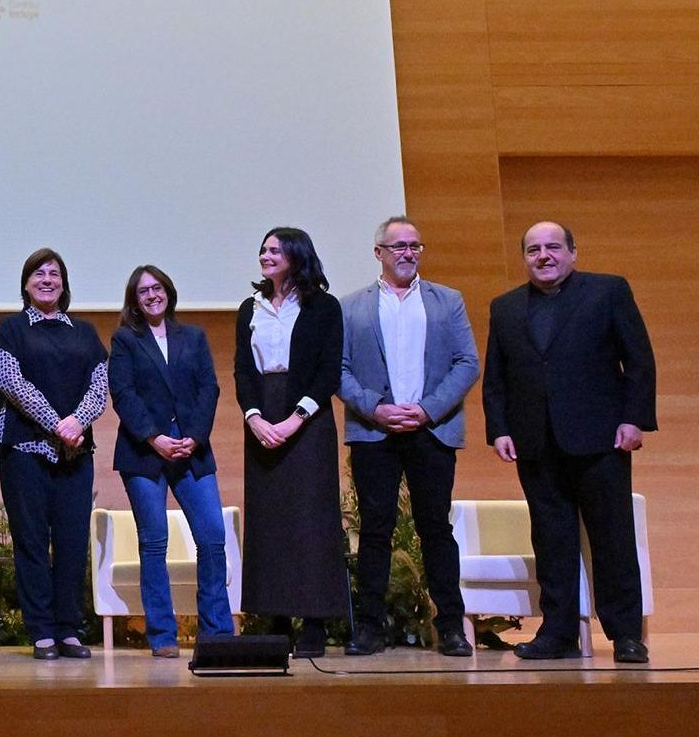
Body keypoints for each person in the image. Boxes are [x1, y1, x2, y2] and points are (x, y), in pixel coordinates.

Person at [483, 221, 656, 663]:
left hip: (601, 440)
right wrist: (499, 429)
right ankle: (557, 634)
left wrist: (634, 420)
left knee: (612, 540)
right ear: (524, 257)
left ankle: (626, 636)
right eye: (534, 249)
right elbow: (497, 379)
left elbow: (637, 360)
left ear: (573, 253)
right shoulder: (504, 308)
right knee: (552, 541)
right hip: (535, 444)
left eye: (553, 247)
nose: (544, 255)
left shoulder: (608, 291)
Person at [338, 217, 478, 657]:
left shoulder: (447, 301)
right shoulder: (350, 306)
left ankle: (451, 627)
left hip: (431, 431)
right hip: (373, 432)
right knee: (375, 531)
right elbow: (337, 370)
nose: (408, 253)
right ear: (378, 252)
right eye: (398, 246)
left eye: (415, 245)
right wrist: (375, 408)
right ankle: (370, 628)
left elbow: (467, 363)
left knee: (435, 528)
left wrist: (426, 409)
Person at [234, 226, 348, 658]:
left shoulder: (323, 307)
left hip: (309, 418)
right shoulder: (250, 308)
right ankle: (276, 619)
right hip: (262, 414)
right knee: (270, 519)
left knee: (310, 519)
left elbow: (327, 372)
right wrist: (254, 416)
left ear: (297, 256)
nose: (265, 255)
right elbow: (243, 369)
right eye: (262, 249)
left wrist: (295, 418)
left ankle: (315, 622)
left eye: (275, 250)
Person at [108, 265, 232, 659]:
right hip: (145, 454)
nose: (151, 295)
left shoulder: (192, 336)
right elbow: (123, 393)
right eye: (143, 291)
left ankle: (217, 632)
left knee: (212, 538)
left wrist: (193, 437)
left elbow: (208, 389)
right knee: (153, 542)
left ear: (168, 292)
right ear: (134, 300)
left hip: (192, 451)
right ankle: (162, 635)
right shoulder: (126, 339)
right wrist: (155, 438)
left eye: (157, 288)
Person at [0, 248, 108, 660]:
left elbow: (100, 385)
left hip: (76, 452)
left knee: (73, 542)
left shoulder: (84, 331)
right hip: (24, 450)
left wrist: (76, 422)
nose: (47, 280)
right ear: (25, 284)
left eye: (54, 274)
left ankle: (69, 629)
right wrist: (56, 423)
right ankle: (41, 631)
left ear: (64, 283)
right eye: (38, 274)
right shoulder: (10, 329)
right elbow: (10, 381)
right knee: (31, 542)